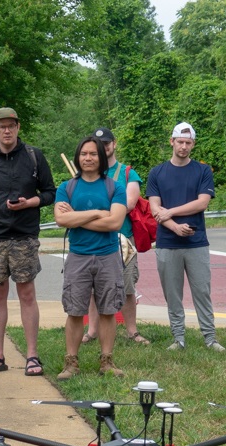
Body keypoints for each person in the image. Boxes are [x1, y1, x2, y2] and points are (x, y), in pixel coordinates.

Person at [0, 107, 56, 377]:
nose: (7, 131)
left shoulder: (33, 156)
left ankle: (32, 356)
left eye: (11, 126)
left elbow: (51, 192)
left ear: (18, 127)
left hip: (23, 237)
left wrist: (31, 202)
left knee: (27, 294)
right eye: (1, 126)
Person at [53, 135, 128, 380]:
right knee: (75, 311)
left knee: (108, 311)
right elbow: (62, 219)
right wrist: (97, 213)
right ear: (78, 156)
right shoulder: (67, 187)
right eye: (84, 154)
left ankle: (107, 361)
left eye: (93, 154)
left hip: (108, 257)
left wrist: (79, 217)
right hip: (78, 256)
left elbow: (115, 222)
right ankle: (71, 363)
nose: (88, 158)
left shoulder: (114, 187)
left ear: (101, 157)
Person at [146, 122, 222, 351]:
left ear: (193, 145)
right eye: (180, 142)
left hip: (196, 242)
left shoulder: (202, 170)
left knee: (202, 290)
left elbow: (202, 202)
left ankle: (210, 338)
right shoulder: (157, 172)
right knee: (173, 293)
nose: (184, 147)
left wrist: (171, 212)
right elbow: (154, 208)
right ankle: (178, 337)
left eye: (188, 143)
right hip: (167, 242)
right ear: (172, 141)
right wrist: (174, 227)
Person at [81, 127, 150, 346]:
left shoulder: (128, 173)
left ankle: (132, 331)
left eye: (107, 143)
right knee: (93, 288)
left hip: (123, 240)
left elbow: (129, 203)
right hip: (94, 239)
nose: (104, 147)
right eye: (99, 144)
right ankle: (92, 330)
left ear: (114, 144)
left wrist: (96, 211)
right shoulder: (87, 172)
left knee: (127, 286)